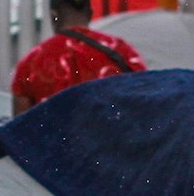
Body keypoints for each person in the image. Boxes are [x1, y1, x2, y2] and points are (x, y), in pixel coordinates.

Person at [10, 0, 145, 114]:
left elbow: (19, 134)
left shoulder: (31, 62)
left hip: (57, 144)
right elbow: (145, 98)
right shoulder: (122, 50)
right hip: (113, 142)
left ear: (54, 16)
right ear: (90, 14)